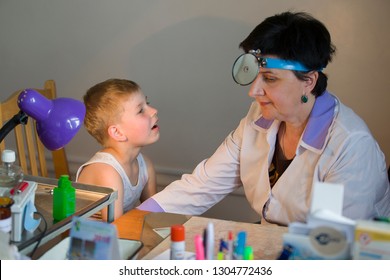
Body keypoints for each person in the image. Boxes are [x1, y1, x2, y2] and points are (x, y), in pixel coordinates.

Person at [138, 11, 390, 225]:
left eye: (270, 78)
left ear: (309, 81)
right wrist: (134, 222)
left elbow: (331, 243)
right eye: (254, 75)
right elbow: (200, 187)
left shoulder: (350, 146)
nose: (253, 91)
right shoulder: (259, 118)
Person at [76, 78, 160, 221]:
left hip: (121, 238)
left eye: (148, 104)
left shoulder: (145, 165)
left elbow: (153, 216)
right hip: (95, 241)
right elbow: (117, 231)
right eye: (141, 110)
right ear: (118, 133)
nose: (153, 111)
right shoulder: (107, 172)